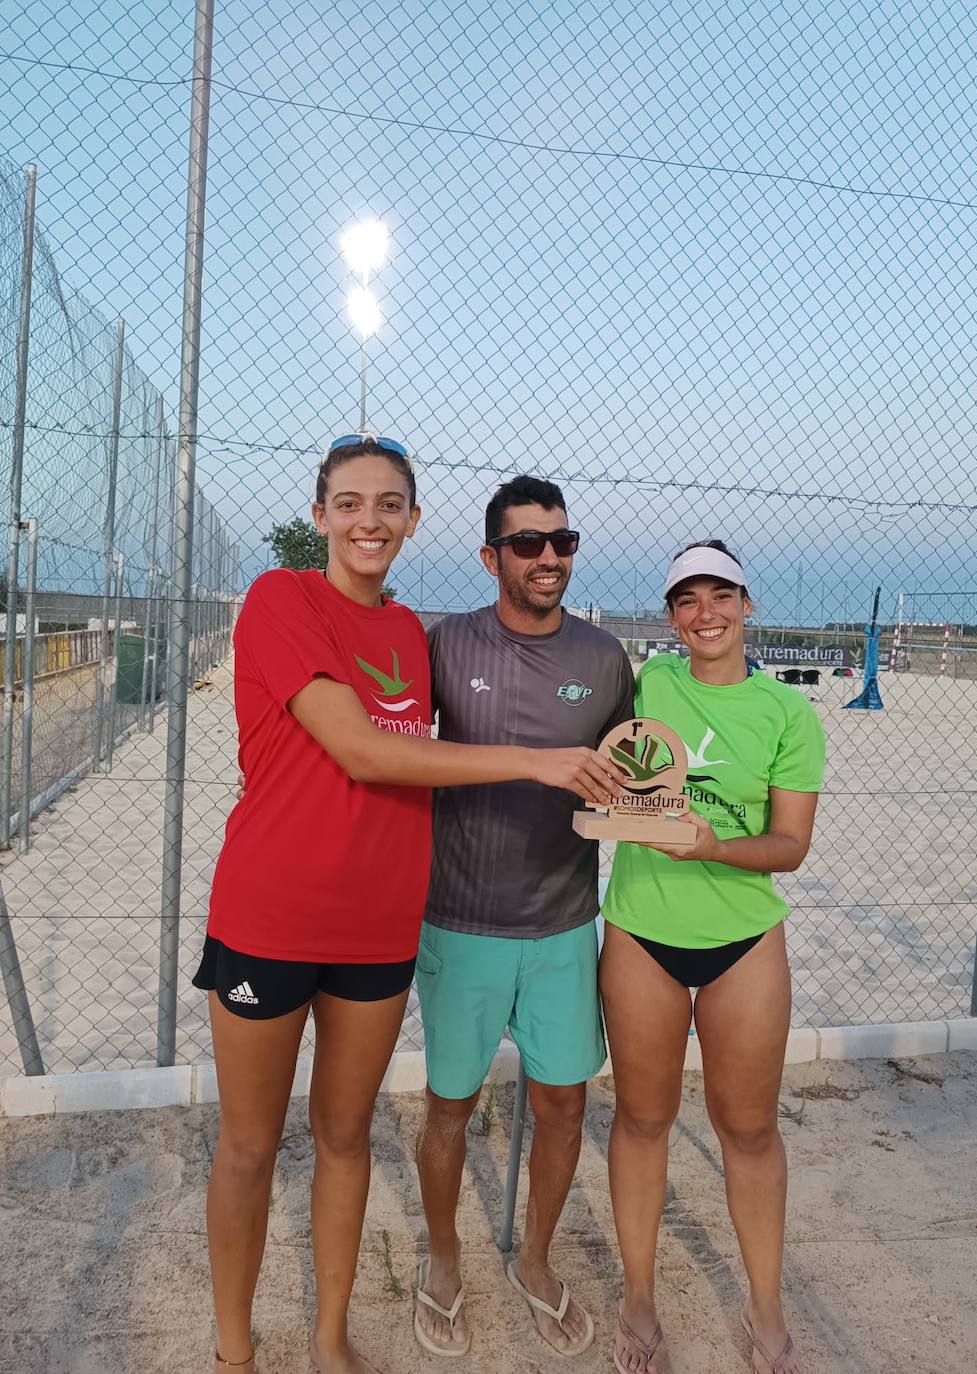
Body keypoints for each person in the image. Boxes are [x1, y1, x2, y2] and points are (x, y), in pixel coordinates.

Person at [196, 437, 622, 1374]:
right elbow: (365, 752)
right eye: (348, 503)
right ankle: (234, 1352)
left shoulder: (403, 634)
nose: (368, 521)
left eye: (389, 505)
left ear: (414, 521)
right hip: (271, 916)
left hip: (381, 926)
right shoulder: (282, 598)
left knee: (346, 1136)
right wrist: (534, 761)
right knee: (250, 1145)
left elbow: (463, 739)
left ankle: (330, 1336)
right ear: (319, 517)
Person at [412, 476, 635, 1359]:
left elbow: (635, 779)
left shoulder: (605, 658)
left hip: (563, 922)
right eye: (528, 543)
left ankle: (535, 1260)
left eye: (562, 541)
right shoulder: (445, 642)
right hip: (458, 920)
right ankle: (439, 1257)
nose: (549, 557)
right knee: (446, 1112)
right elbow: (395, 746)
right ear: (490, 556)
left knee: (565, 1107)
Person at [600, 540, 825, 1374]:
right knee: (643, 1119)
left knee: (749, 1129)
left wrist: (712, 847)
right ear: (669, 616)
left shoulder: (786, 713)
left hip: (743, 941)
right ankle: (638, 1301)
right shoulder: (647, 684)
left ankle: (765, 1311)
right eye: (686, 599)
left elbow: (789, 846)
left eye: (720, 595)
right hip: (640, 933)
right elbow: (603, 764)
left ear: (746, 603)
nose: (705, 613)